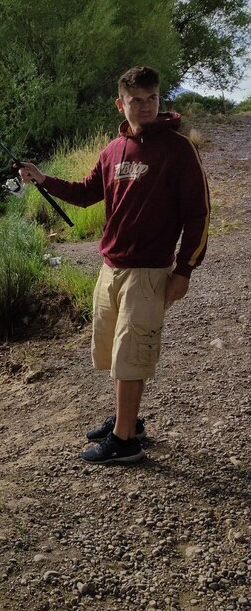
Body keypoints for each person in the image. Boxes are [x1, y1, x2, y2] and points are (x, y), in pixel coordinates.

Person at [18, 65, 210, 464]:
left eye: (152, 98)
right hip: (112, 267)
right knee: (113, 351)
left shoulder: (178, 149)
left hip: (149, 271)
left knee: (132, 354)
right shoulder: (112, 150)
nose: (146, 107)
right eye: (136, 100)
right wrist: (43, 179)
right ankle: (129, 421)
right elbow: (86, 193)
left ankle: (125, 443)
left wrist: (184, 270)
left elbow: (199, 214)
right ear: (120, 104)